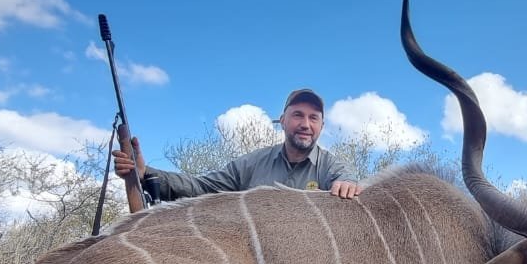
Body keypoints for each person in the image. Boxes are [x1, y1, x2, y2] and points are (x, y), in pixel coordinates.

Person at [113, 88, 363, 201]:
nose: (305, 124)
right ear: (283, 120)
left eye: (313, 118)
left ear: (321, 125)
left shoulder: (330, 166)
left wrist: (348, 184)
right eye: (297, 115)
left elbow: (346, 179)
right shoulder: (252, 164)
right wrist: (146, 174)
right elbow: (202, 187)